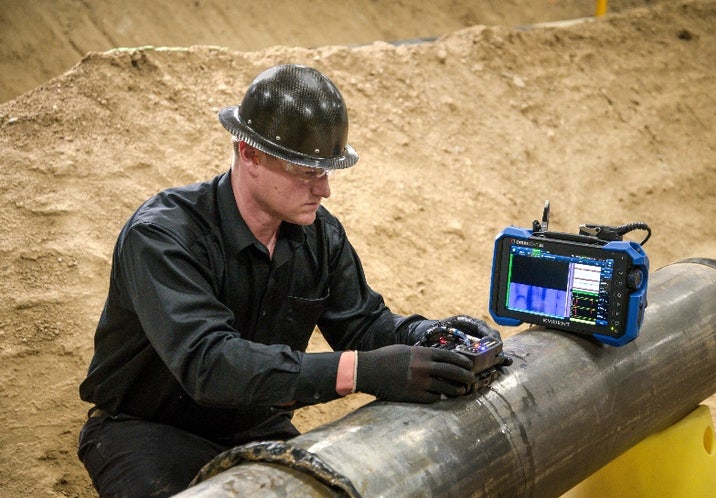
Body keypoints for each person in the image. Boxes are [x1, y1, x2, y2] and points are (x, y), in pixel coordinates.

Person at [77, 63, 503, 497]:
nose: (324, 190)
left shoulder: (319, 235)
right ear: (250, 154)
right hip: (147, 429)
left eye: (326, 172)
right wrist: (360, 371)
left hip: (255, 424)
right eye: (307, 172)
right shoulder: (163, 236)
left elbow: (361, 323)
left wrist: (428, 335)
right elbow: (210, 364)